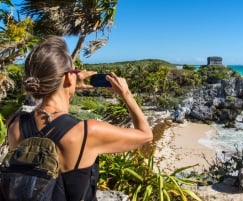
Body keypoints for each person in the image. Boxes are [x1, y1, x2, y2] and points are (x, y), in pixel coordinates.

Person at [6, 36, 153, 200]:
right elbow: (145, 134)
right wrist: (125, 94)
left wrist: (69, 87)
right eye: (75, 72)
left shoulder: (16, 123)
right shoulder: (87, 131)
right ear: (69, 77)